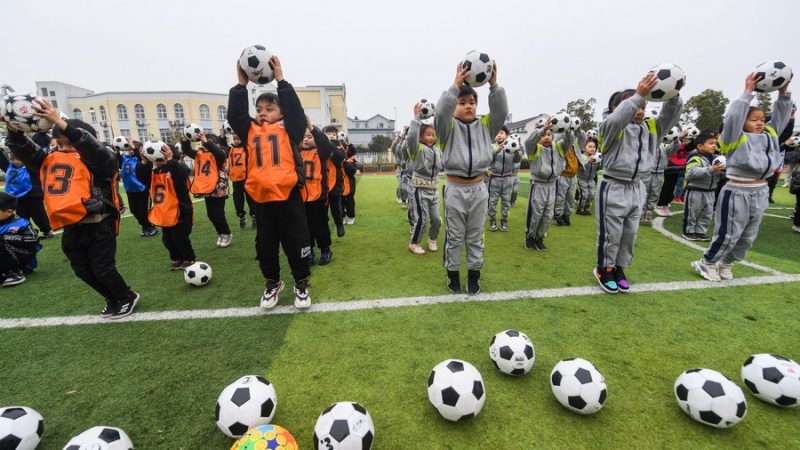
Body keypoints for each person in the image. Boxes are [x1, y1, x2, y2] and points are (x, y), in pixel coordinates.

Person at [3, 100, 140, 318]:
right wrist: (14, 130)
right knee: (82, 270)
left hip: (98, 223)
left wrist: (62, 124)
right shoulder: (49, 159)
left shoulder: (100, 159)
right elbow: (26, 151)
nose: (64, 148)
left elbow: (93, 150)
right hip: (70, 224)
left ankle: (126, 296)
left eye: (70, 144)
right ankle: (112, 297)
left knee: (103, 268)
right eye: (59, 144)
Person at [227, 55, 312, 309]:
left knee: (296, 243)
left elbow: (296, 113)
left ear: (281, 112)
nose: (263, 113)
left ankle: (301, 283)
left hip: (288, 197)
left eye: (270, 109)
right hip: (262, 200)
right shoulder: (250, 130)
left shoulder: (290, 129)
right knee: (265, 247)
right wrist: (241, 85)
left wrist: (281, 81)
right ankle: (272, 282)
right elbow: (235, 116)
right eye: (259, 110)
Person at [692, 73, 792, 282]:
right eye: (754, 120)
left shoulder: (770, 135)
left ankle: (726, 263)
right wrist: (747, 92)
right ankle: (707, 262)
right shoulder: (734, 138)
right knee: (729, 233)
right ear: (743, 121)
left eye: (762, 119)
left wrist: (784, 94)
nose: (760, 123)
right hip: (737, 191)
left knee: (748, 236)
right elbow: (732, 118)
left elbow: (782, 117)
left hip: (761, 191)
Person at [594, 73, 683, 294]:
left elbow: (670, 116)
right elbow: (616, 120)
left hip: (637, 188)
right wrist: (638, 96)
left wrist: (673, 94)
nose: (639, 110)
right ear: (616, 109)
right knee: (611, 233)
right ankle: (604, 268)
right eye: (635, 106)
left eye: (643, 106)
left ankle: (619, 268)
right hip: (613, 186)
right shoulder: (610, 128)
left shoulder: (651, 128)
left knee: (629, 233)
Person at [434, 61, 508, 295]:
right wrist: (455, 86)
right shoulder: (447, 128)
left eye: (472, 102)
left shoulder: (486, 126)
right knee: (455, 236)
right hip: (454, 189)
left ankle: (474, 274)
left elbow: (501, 112)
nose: (468, 106)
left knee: (476, 236)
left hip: (479, 189)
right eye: (462, 102)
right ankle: (453, 273)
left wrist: (494, 86)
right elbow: (440, 113)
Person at [141, 144, 196, 270]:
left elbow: (182, 175)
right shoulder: (155, 171)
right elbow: (142, 177)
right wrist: (144, 162)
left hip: (180, 210)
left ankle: (188, 258)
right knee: (167, 239)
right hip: (164, 212)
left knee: (180, 238)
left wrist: (170, 160)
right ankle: (176, 258)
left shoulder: (176, 168)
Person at [523, 120, 575, 250]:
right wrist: (541, 130)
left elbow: (569, 141)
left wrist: (568, 131)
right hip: (538, 185)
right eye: (543, 135)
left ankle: (539, 238)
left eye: (549, 135)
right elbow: (528, 141)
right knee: (536, 213)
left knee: (547, 215)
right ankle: (530, 237)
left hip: (552, 185)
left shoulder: (558, 148)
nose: (547, 137)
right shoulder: (534, 149)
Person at [181, 132, 232, 247]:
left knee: (218, 214)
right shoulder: (200, 154)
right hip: (207, 187)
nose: (204, 144)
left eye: (207, 142)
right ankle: (220, 232)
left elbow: (221, 155)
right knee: (211, 214)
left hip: (218, 187)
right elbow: (187, 150)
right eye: (203, 142)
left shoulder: (220, 152)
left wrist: (207, 142)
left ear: (215, 143)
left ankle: (226, 233)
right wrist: (185, 140)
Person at [407, 103, 443, 254]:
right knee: (422, 220)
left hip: (434, 191)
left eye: (433, 135)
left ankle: (432, 239)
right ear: (421, 136)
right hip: (420, 190)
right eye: (428, 134)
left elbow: (442, 130)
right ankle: (414, 243)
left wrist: (437, 115)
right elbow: (411, 137)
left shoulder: (437, 149)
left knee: (437, 220)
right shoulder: (417, 149)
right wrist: (416, 119)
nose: (431, 137)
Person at [299, 121, 334, 265]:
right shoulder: (297, 152)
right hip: (301, 197)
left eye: (309, 137)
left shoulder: (321, 153)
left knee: (320, 226)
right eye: (304, 137)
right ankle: (309, 251)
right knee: (304, 228)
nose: (306, 140)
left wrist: (311, 127)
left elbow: (326, 145)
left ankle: (325, 250)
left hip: (318, 196)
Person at [0, 144, 52, 239]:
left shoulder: (31, 168)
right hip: (18, 198)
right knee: (22, 217)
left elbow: (32, 156)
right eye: (14, 159)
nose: (16, 161)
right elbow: (2, 160)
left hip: (33, 196)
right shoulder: (9, 168)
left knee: (39, 215)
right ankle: (28, 232)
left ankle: (47, 231)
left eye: (19, 159)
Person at [681, 133, 724, 241]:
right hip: (695, 190)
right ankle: (689, 231)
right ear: (700, 146)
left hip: (710, 191)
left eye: (715, 143)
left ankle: (700, 232)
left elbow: (720, 175)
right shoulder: (695, 158)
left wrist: (723, 172)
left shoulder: (716, 159)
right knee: (692, 212)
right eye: (711, 143)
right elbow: (691, 173)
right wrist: (711, 169)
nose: (714, 145)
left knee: (707, 213)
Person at [0, 192, 40, 287]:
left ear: (9, 212)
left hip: (24, 257)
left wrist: (6, 237)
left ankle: (15, 273)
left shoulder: (21, 223)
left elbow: (33, 238)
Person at [119, 139, 158, 237]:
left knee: (143, 211)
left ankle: (150, 227)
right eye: (129, 149)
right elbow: (116, 159)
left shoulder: (142, 159)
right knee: (134, 210)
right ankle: (146, 226)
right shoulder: (125, 158)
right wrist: (116, 150)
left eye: (132, 149)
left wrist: (135, 149)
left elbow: (145, 164)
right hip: (130, 190)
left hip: (142, 189)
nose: (130, 151)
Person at [487, 125, 521, 232]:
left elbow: (517, 161)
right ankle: (492, 219)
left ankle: (504, 220)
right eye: (497, 133)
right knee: (492, 201)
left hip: (508, 178)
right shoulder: (491, 147)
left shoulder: (512, 146)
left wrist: (517, 153)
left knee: (506, 201)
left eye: (501, 133)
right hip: (494, 179)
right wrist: (497, 150)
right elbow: (488, 159)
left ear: (506, 135)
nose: (499, 135)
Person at [642, 136, 681, 223]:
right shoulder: (649, 144)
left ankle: (649, 212)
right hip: (647, 171)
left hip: (659, 173)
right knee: (644, 192)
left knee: (655, 193)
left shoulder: (665, 147)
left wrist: (676, 139)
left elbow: (674, 148)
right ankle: (641, 211)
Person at [226, 132, 257, 230]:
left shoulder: (246, 148)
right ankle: (242, 216)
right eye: (234, 139)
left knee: (251, 200)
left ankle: (254, 217)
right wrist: (222, 136)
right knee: (238, 202)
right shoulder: (230, 149)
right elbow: (221, 146)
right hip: (236, 181)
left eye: (238, 139)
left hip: (247, 179)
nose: (236, 141)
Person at [655, 134, 690, 217]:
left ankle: (665, 205)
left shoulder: (683, 145)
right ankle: (660, 205)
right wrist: (678, 137)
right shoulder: (665, 144)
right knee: (666, 187)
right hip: (668, 167)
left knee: (671, 188)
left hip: (677, 167)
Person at [323, 126, 347, 238]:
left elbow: (340, 157)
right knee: (322, 209)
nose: (331, 136)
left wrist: (331, 145)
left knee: (336, 207)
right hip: (322, 180)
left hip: (335, 181)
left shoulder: (339, 147)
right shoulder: (319, 145)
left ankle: (339, 224)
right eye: (328, 133)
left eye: (333, 134)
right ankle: (325, 230)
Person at [553, 138, 581, 226]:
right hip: (563, 175)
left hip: (573, 176)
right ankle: (557, 215)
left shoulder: (575, 146)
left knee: (570, 197)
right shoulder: (561, 145)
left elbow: (582, 138)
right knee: (560, 197)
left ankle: (566, 215)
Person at [575, 138, 601, 215]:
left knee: (591, 194)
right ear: (584, 148)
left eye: (594, 147)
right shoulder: (582, 157)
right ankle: (580, 208)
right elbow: (578, 167)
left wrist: (600, 163)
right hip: (581, 179)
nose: (592, 148)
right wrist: (587, 161)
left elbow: (599, 168)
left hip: (591, 180)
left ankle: (586, 207)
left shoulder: (596, 158)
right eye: (590, 147)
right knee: (584, 194)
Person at [342, 144, 358, 225]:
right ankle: (343, 216)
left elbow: (351, 171)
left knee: (349, 203)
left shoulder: (351, 162)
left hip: (349, 185)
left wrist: (345, 163)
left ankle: (351, 216)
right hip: (339, 184)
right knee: (340, 203)